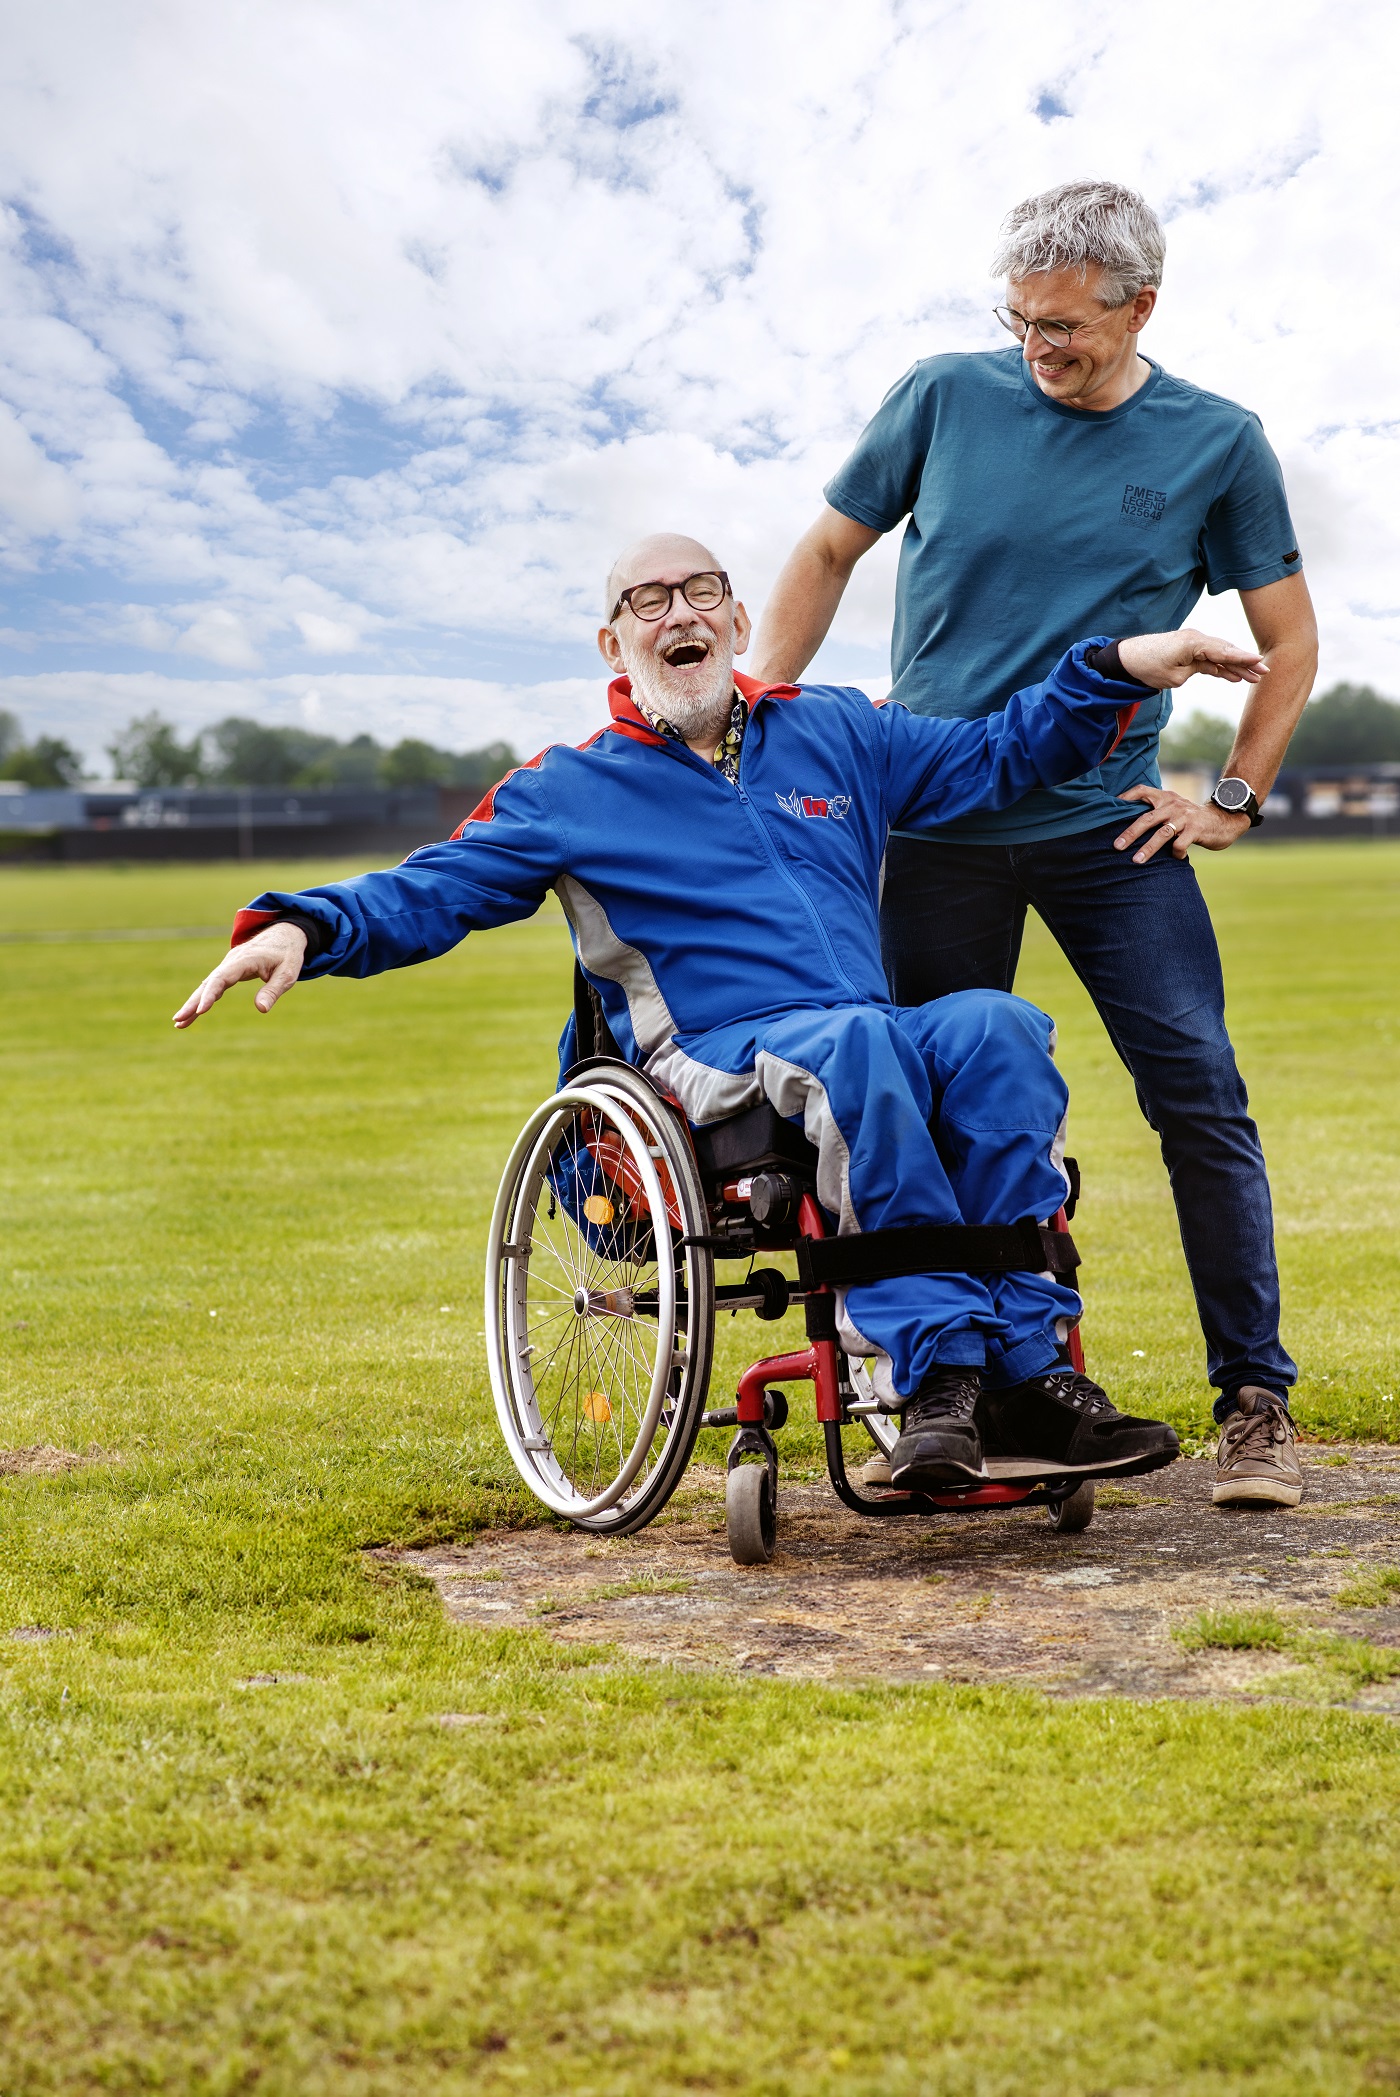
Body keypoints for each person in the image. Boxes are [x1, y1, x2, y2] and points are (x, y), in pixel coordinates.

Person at [175, 534, 1261, 1492]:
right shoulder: (569, 789)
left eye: (700, 592)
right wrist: (303, 928)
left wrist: (1114, 665)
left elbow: (1000, 756)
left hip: (854, 1027)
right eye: (647, 601)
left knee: (993, 1027)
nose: (677, 612)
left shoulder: (833, 731)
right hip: (705, 1053)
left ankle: (1030, 1373)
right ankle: (935, 1376)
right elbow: (430, 890)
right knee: (860, 1050)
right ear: (614, 646)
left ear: (738, 623)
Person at [752, 180, 1317, 1512]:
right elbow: (829, 548)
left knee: (1201, 1093)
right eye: (1020, 323)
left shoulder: (1218, 444)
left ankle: (1256, 1403)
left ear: (1140, 308)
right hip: (936, 828)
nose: (1037, 349)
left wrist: (1230, 799)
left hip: (1109, 832)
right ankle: (958, 1389)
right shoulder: (943, 397)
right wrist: (755, 718)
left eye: (1063, 327)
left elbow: (1289, 645)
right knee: (922, 1102)